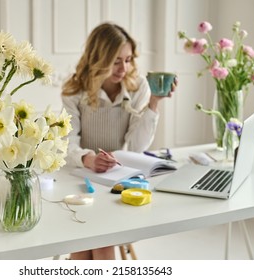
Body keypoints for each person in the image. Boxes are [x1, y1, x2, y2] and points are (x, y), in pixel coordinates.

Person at [61, 22, 177, 260]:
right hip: (80, 176)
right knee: (88, 239)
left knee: (97, 240)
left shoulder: (137, 87)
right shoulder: (74, 91)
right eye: (116, 60)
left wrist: (154, 103)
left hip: (116, 179)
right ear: (98, 58)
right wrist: (88, 158)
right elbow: (67, 142)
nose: (123, 68)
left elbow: (136, 147)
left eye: (128, 59)